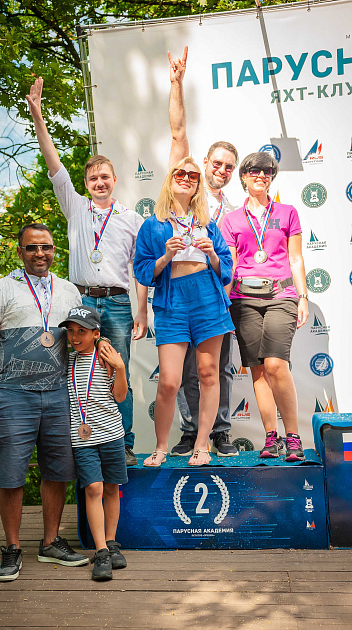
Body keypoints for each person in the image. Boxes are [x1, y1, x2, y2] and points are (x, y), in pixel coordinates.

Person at [27, 77, 148, 467]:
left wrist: (142, 311)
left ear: (115, 180)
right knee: (74, 369)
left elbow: (140, 270)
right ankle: (80, 438)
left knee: (116, 367)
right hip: (79, 301)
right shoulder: (75, 206)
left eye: (105, 177)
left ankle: (123, 442)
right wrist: (37, 114)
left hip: (117, 302)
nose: (99, 183)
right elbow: (53, 162)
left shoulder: (131, 219)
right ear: (84, 184)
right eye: (93, 178)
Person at [0, 224, 98, 582]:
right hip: (13, 394)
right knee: (10, 474)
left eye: (46, 247)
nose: (39, 253)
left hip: (59, 393)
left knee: (58, 470)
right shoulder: (2, 287)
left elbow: (82, 337)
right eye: (31, 248)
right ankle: (12, 547)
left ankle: (50, 542)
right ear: (19, 251)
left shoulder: (69, 290)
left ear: (55, 250)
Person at [133, 157, 234, 467]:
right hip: (172, 301)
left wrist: (212, 254)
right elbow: (142, 271)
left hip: (208, 298)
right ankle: (161, 446)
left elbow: (226, 270)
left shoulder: (208, 223)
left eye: (193, 175)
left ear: (198, 184)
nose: (187, 178)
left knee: (208, 374)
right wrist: (165, 256)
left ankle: (202, 444)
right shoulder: (153, 224)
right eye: (181, 173)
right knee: (169, 381)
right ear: (170, 179)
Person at [167, 46, 239, 457]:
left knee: (218, 370)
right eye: (217, 163)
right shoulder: (187, 187)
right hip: (182, 295)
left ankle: (221, 431)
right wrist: (176, 84)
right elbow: (178, 134)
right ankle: (190, 430)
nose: (221, 170)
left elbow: (232, 259)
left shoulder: (235, 209)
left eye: (229, 166)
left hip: (218, 297)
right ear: (205, 162)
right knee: (185, 371)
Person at [221, 152, 309, 461]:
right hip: (243, 300)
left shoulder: (287, 212)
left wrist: (303, 296)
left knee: (275, 365)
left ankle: (293, 436)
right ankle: (273, 437)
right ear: (244, 177)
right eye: (254, 170)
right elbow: (231, 266)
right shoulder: (231, 219)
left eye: (268, 171)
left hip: (280, 296)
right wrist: (224, 302)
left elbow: (295, 258)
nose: (261, 175)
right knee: (258, 370)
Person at [59, 306, 128, 581]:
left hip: (112, 434)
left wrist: (120, 367)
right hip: (82, 439)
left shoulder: (107, 358)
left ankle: (111, 542)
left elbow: (120, 397)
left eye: (82, 331)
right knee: (93, 488)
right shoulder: (66, 361)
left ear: (96, 334)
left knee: (111, 488)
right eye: (71, 331)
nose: (75, 337)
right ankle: (100, 551)